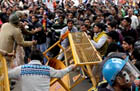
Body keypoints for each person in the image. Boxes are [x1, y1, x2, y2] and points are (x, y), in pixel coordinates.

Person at [8, 49, 77, 91]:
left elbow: (7, 74)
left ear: (29, 59)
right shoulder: (47, 69)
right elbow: (60, 73)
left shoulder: (21, 69)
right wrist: (70, 67)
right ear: (41, 61)